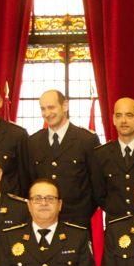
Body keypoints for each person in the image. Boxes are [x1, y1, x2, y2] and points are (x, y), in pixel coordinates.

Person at [27, 89, 100, 228]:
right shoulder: (33, 142)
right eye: (43, 109)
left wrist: (83, 213)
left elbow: (97, 184)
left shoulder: (86, 140)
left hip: (77, 221)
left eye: (51, 107)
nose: (47, 113)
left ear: (65, 106)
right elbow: (29, 181)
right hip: (43, 221)